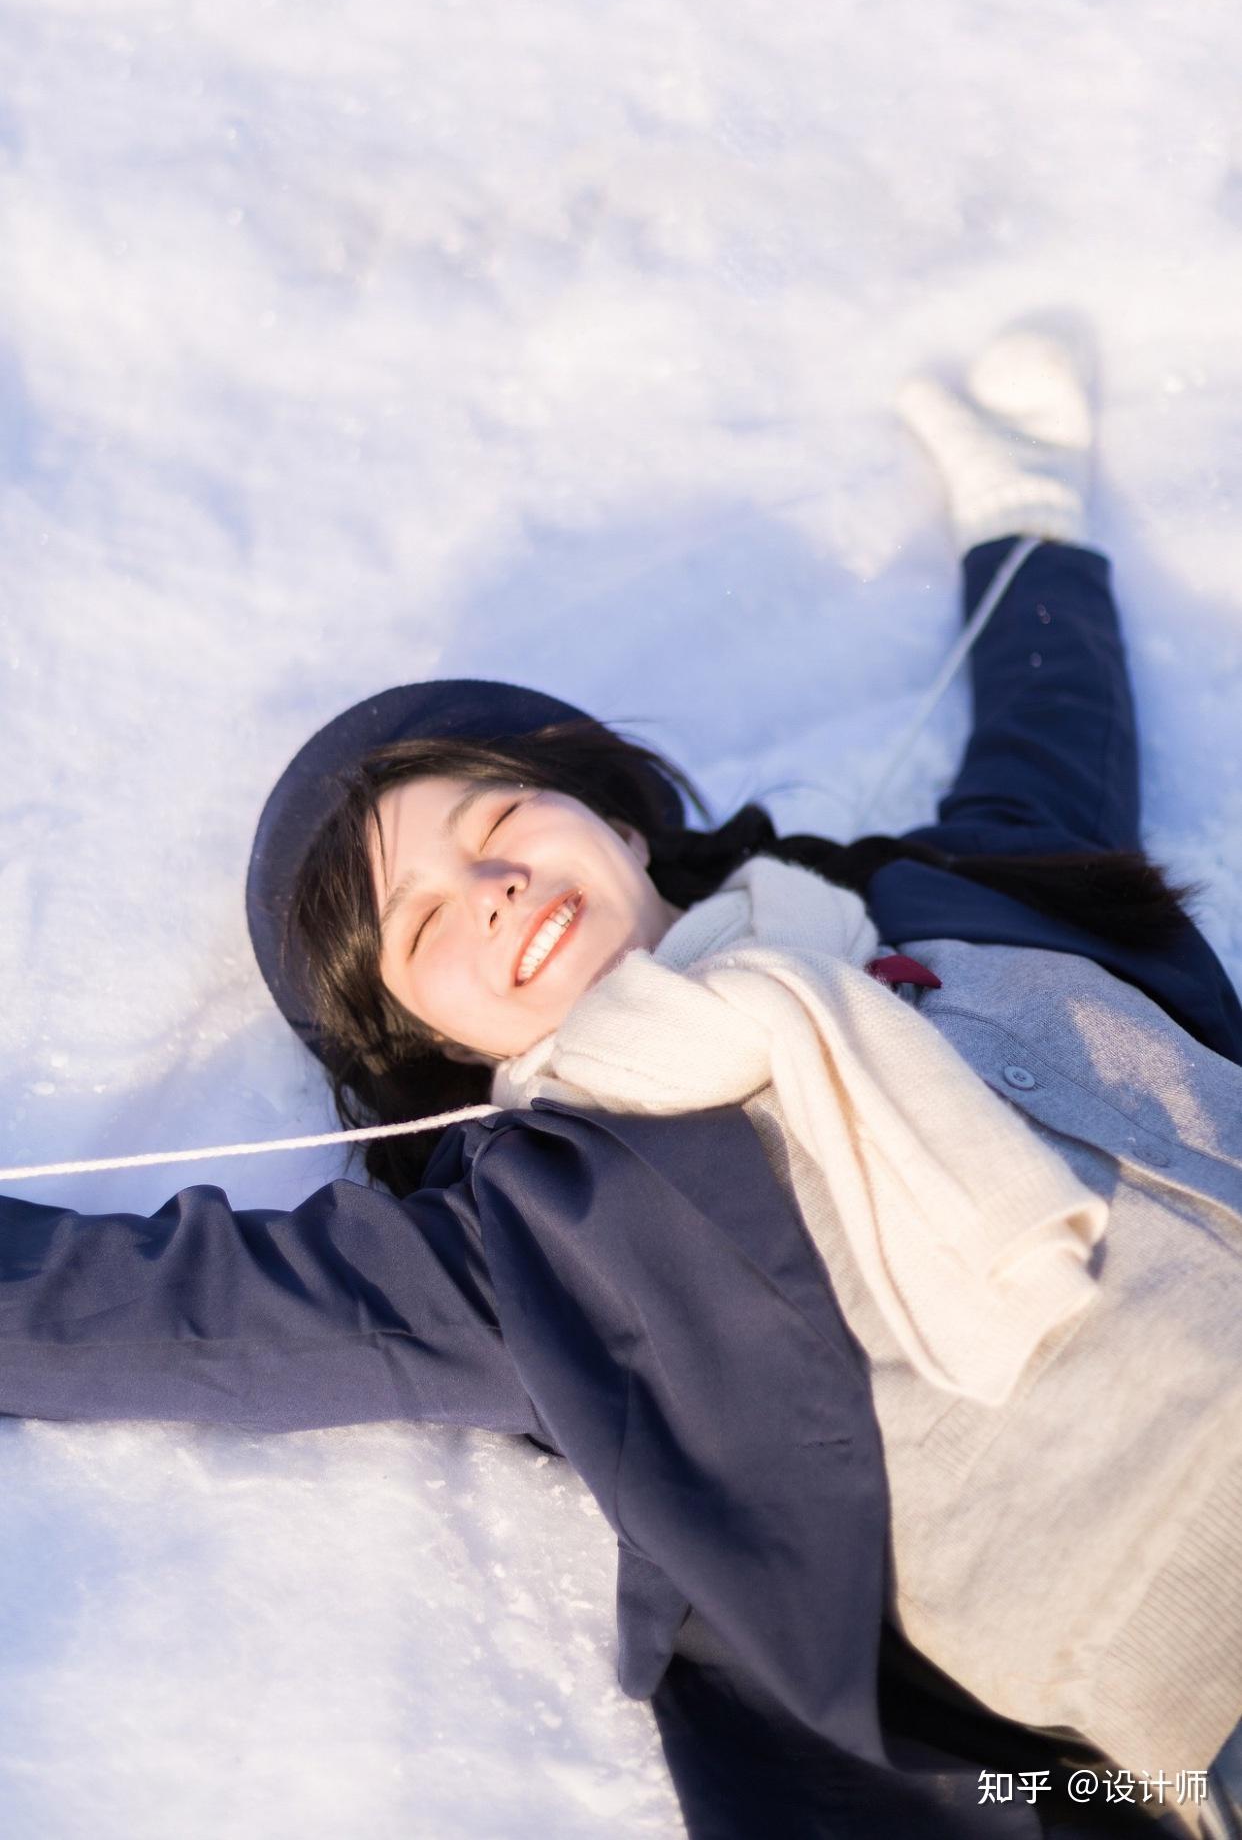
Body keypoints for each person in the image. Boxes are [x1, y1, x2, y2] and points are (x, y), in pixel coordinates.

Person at [2, 327, 1239, 1840]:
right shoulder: (534, 1233)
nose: (495, 889)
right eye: (426, 921)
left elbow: (1048, 753)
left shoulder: (925, 902)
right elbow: (124, 1309)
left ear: (622, 826)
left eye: (499, 820)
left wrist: (1023, 514)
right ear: (423, 1038)